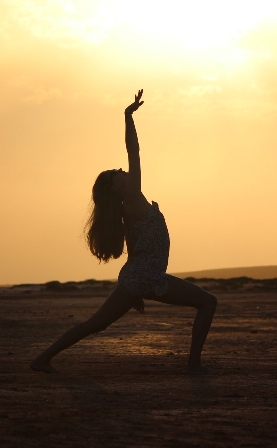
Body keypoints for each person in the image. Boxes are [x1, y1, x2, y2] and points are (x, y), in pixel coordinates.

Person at [31, 90, 217, 375]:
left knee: (95, 324)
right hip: (145, 277)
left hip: (137, 277)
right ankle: (193, 365)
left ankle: (43, 359)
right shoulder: (132, 198)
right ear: (116, 186)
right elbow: (134, 152)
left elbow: (134, 247)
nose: (122, 169)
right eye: (117, 171)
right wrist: (128, 117)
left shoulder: (127, 209)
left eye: (119, 169)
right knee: (208, 302)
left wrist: (138, 291)